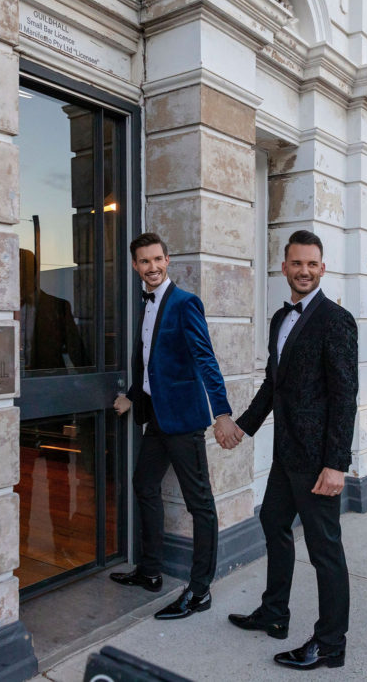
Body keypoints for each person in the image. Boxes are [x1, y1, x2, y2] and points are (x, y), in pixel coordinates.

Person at [226, 230, 358, 671]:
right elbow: (273, 385)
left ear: (323, 268)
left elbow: (344, 397)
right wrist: (244, 428)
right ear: (283, 267)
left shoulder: (336, 320)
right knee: (273, 520)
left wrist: (337, 463)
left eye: (312, 264)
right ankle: (275, 614)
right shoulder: (279, 320)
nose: (304, 271)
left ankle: (330, 642)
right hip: (287, 453)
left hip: (318, 459)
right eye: (296, 263)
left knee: (325, 551)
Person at [110, 232, 238, 620]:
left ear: (168, 260)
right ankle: (150, 571)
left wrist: (222, 413)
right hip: (157, 418)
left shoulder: (185, 304)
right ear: (136, 266)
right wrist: (133, 394)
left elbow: (206, 360)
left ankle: (200, 590)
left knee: (201, 504)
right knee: (144, 484)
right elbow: (148, 361)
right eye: (144, 262)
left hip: (183, 421)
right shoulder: (145, 304)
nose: (151, 267)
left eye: (157, 260)